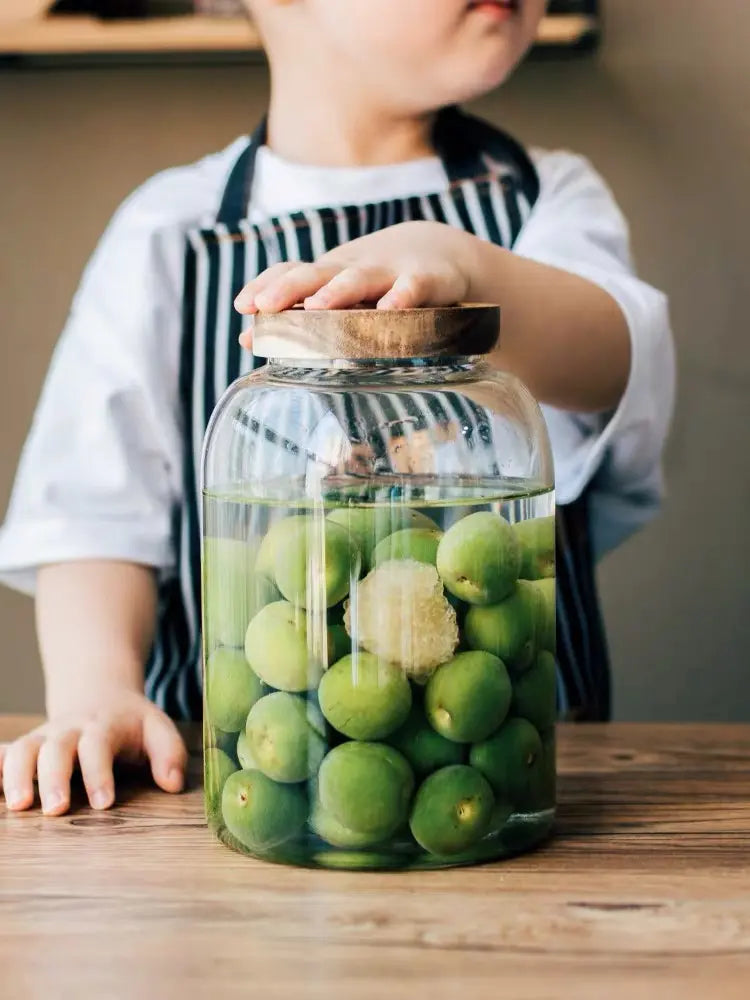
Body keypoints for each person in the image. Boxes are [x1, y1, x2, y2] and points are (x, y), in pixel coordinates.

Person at [0, 0, 674, 817]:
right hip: (241, 774)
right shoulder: (169, 234)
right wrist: (95, 693)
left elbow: (613, 358)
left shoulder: (547, 198)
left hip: (499, 775)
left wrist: (467, 267)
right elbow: (91, 512)